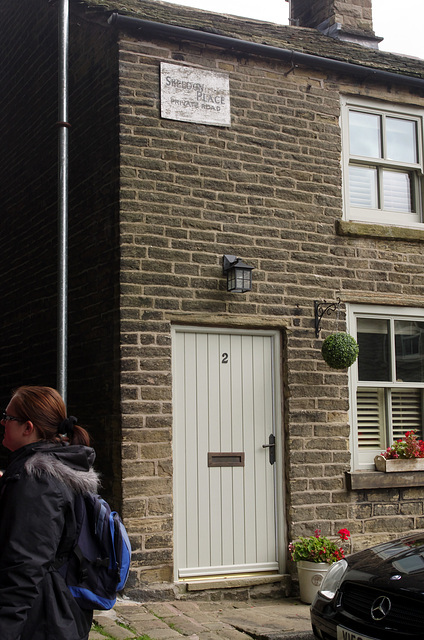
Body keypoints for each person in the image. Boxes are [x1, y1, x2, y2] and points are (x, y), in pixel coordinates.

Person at [0, 385, 100, 640]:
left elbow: (24, 566)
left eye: (8, 417)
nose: (3, 422)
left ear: (28, 427)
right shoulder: (53, 467)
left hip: (41, 618)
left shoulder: (36, 481)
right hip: (52, 608)